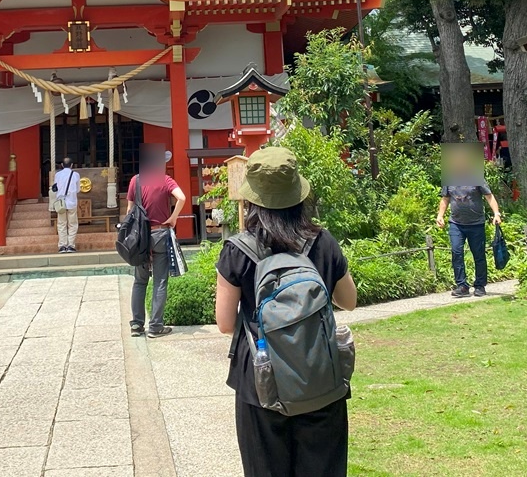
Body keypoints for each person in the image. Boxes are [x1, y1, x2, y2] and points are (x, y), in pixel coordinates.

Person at [215, 146, 358, 477]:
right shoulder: (322, 242)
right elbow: (348, 301)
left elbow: (224, 323)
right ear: (298, 193)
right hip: (320, 376)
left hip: (259, 381)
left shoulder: (237, 251)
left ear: (252, 198)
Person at [126, 144, 185, 338]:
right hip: (161, 234)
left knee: (140, 281)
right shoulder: (166, 180)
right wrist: (174, 217)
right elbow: (182, 198)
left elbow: (129, 212)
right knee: (160, 281)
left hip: (140, 238)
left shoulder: (136, 181)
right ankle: (156, 327)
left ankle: (136, 325)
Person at [435, 142, 502, 297]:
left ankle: (480, 285)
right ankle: (462, 286)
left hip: (476, 224)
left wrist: (496, 213)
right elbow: (445, 199)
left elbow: (489, 197)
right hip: (456, 223)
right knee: (456, 252)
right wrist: (440, 215)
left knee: (478, 254)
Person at [52, 156, 80, 253]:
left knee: (61, 224)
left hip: (61, 203)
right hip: (72, 202)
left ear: (62, 165)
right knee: (72, 224)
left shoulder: (58, 175)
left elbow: (55, 188)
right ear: (72, 165)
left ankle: (62, 246)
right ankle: (71, 245)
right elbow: (78, 189)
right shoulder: (76, 175)